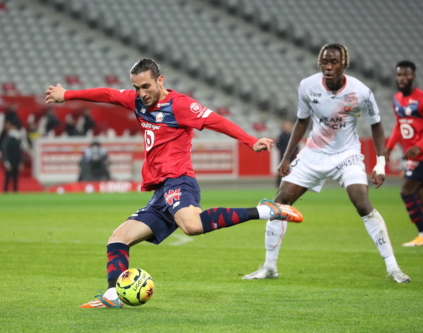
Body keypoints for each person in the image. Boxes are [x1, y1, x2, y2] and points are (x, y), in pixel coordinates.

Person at [45, 58, 304, 308]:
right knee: (118, 239)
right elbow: (108, 94)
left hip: (180, 180)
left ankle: (265, 211)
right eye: (136, 87)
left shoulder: (180, 105)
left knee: (191, 226)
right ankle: (113, 295)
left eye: (146, 86)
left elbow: (216, 120)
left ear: (160, 80)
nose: (141, 93)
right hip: (161, 192)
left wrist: (250, 140)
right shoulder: (137, 101)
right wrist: (67, 95)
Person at [242, 44, 410, 283]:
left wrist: (381, 163)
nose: (328, 67)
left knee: (362, 203)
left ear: (345, 64)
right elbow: (302, 121)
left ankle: (393, 267)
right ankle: (269, 267)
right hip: (313, 154)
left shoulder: (361, 92)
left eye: (334, 62)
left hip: (346, 155)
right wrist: (287, 156)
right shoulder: (307, 86)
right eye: (324, 62)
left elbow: (376, 126)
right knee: (278, 205)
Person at [385, 60, 423, 247]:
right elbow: (399, 127)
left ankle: (422, 233)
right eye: (399, 74)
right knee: (419, 192)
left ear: (414, 76)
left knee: (406, 191)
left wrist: (420, 146)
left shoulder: (421, 100)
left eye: (406, 74)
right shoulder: (396, 100)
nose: (402, 78)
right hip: (414, 156)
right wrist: (389, 147)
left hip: (421, 155)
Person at [1, 121, 23, 192]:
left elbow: (20, 152)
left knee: (15, 180)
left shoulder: (18, 140)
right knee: (8, 179)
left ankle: (15, 193)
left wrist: (20, 162)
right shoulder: (6, 139)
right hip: (9, 161)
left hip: (16, 161)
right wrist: (6, 162)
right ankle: (5, 193)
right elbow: (4, 151)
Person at [275, 119, 298, 187]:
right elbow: (278, 145)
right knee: (282, 170)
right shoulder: (281, 135)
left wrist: (293, 152)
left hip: (291, 157)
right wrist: (285, 151)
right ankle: (279, 184)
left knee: (290, 171)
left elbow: (296, 146)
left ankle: (289, 184)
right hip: (283, 156)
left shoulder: (292, 135)